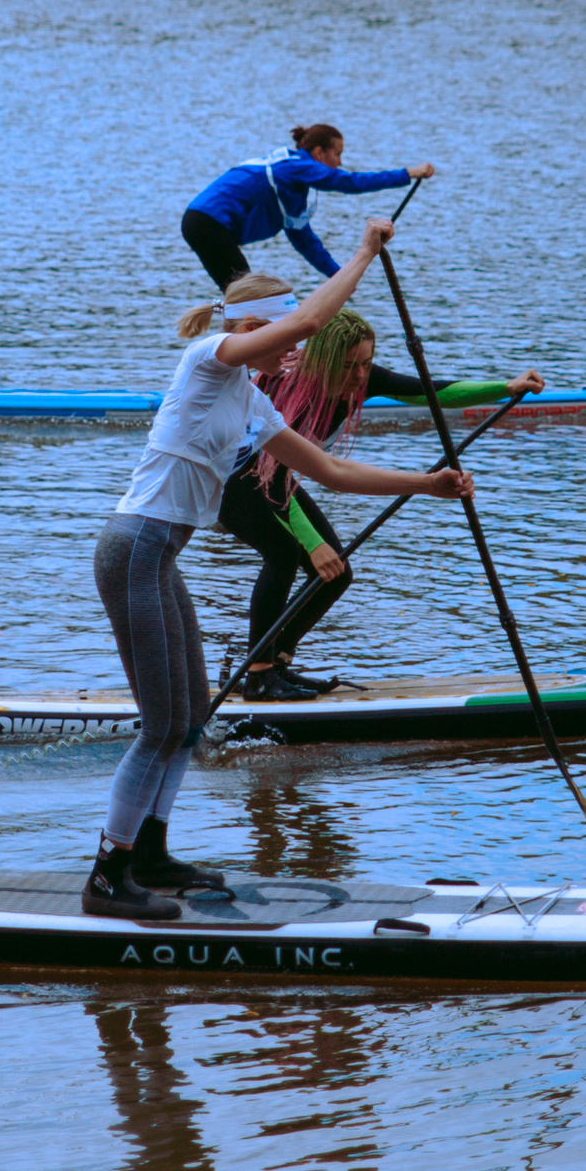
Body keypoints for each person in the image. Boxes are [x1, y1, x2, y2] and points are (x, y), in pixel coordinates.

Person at [88, 219, 474, 921]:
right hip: (135, 547)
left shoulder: (252, 401)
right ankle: (109, 874)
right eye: (290, 340)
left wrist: (428, 482)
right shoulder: (211, 359)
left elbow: (330, 469)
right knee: (159, 724)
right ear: (256, 327)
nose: (298, 349)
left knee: (190, 718)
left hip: (159, 553)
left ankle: (150, 852)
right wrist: (362, 253)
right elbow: (308, 315)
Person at [216, 310, 545, 700]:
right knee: (286, 555)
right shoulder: (286, 391)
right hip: (233, 482)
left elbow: (434, 391)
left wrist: (505, 387)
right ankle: (257, 675)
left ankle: (272, 663)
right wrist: (312, 542)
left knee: (335, 574)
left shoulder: (364, 379)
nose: (359, 376)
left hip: (276, 481)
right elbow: (267, 474)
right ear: (322, 361)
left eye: (366, 364)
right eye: (349, 366)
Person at [180, 124, 433, 289]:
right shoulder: (296, 166)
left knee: (239, 295)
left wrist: (339, 277)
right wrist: (408, 173)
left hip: (201, 223)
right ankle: (240, 360)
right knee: (246, 295)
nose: (340, 162)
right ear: (320, 153)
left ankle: (219, 330)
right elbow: (350, 182)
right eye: (338, 154)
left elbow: (306, 242)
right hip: (208, 222)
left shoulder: (292, 190)